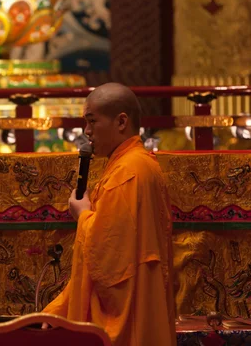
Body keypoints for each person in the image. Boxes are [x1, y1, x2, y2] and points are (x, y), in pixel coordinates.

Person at [42, 83, 176, 346]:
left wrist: (82, 215)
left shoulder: (127, 173)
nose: (87, 132)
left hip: (130, 320)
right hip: (146, 305)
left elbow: (108, 259)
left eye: (92, 122)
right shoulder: (138, 164)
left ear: (121, 121)